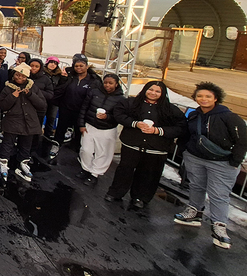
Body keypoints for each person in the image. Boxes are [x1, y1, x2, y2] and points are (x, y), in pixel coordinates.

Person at [173, 82, 247, 249]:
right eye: (200, 96)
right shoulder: (194, 115)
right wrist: (183, 150)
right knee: (196, 186)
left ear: (216, 98)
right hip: (195, 157)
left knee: (219, 194)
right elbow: (187, 133)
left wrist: (235, 161)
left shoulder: (229, 117)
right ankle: (194, 212)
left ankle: (219, 226)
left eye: (208, 96)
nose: (203, 99)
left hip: (221, 162)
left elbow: (242, 141)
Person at [105, 80, 187, 209]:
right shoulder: (132, 103)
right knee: (124, 170)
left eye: (157, 91)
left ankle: (140, 197)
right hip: (132, 144)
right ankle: (115, 192)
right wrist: (135, 123)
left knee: (149, 174)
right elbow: (119, 114)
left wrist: (158, 131)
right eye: (151, 89)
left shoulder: (171, 110)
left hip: (156, 149)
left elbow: (181, 128)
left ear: (163, 93)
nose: (153, 93)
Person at [0, 63, 47, 183]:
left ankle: (23, 163)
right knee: (7, 144)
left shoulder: (33, 88)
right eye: (17, 75)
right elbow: (2, 106)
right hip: (12, 121)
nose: (20, 78)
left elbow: (42, 105)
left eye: (23, 76)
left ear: (27, 77)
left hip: (29, 122)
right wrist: (13, 96)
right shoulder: (7, 88)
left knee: (26, 145)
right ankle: (3, 162)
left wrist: (30, 94)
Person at [76, 73, 126, 186]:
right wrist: (81, 124)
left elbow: (119, 116)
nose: (107, 85)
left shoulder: (121, 99)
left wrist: (107, 117)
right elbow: (84, 108)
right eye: (105, 82)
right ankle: (85, 169)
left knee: (103, 153)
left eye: (110, 83)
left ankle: (95, 174)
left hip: (107, 129)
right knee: (86, 150)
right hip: (90, 125)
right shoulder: (94, 92)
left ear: (116, 84)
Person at [52, 54, 101, 155]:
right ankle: (56, 145)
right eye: (76, 66)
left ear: (87, 66)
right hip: (66, 107)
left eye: (81, 66)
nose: (79, 68)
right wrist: (63, 78)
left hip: (82, 110)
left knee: (79, 130)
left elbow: (96, 95)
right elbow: (59, 88)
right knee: (61, 128)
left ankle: (77, 149)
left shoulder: (94, 80)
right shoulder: (69, 76)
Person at [42, 57, 64, 141]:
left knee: (51, 118)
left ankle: (47, 136)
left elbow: (61, 86)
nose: (52, 65)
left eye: (55, 63)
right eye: (51, 62)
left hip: (54, 100)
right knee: (39, 118)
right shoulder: (42, 73)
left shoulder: (59, 75)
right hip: (43, 99)